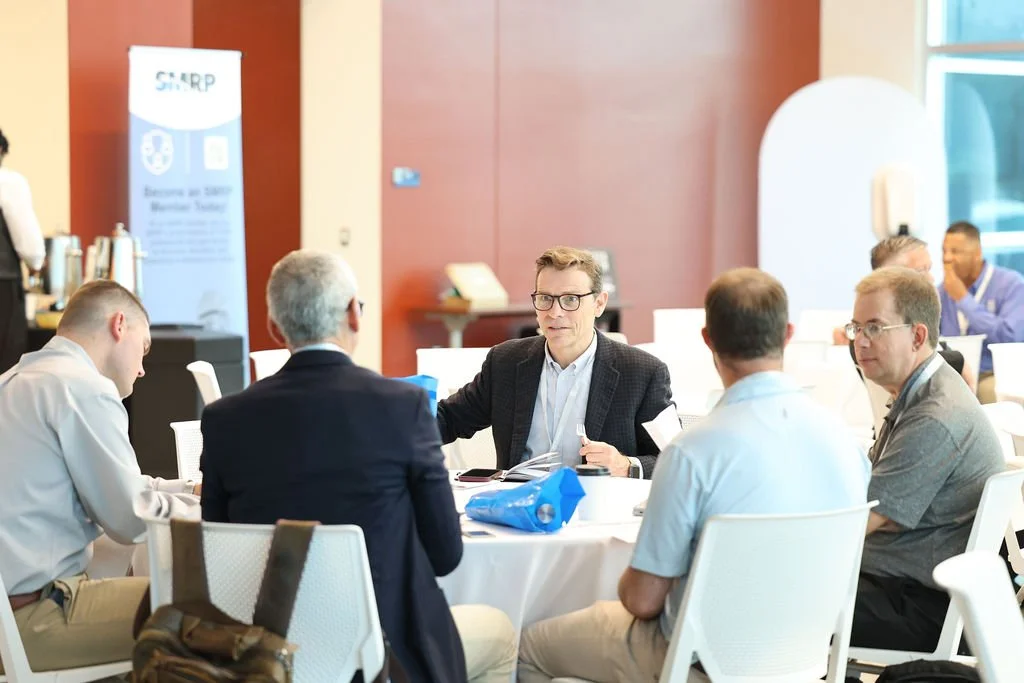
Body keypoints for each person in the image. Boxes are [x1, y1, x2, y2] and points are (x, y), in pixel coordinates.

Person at [517, 268, 871, 682]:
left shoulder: (694, 452)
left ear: (708, 339)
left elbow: (642, 601)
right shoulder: (847, 445)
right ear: (788, 334)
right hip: (806, 660)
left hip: (699, 663)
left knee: (529, 647)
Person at [200, 250, 516, 683]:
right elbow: (445, 555)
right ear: (354, 314)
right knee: (502, 633)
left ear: (275, 329)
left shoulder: (224, 420)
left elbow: (221, 556)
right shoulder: (402, 407)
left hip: (266, 655)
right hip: (384, 654)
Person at [0, 279, 197, 674]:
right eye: (143, 350)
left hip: (11, 613)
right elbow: (129, 518)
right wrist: (209, 507)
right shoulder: (82, 388)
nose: (142, 370)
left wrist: (188, 488)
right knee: (206, 609)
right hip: (37, 618)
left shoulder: (14, 381)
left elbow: (121, 486)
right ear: (118, 325)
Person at [848, 266, 1003, 651]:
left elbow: (855, 522)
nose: (860, 343)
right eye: (855, 328)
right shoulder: (921, 392)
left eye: (874, 328)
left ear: (917, 335)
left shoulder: (936, 416)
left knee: (771, 599)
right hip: (899, 585)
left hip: (921, 605)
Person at [437, 246, 674, 478]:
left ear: (599, 304)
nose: (555, 312)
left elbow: (675, 460)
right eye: (545, 298)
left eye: (571, 299)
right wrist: (403, 406)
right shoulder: (506, 362)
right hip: (518, 505)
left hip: (593, 508)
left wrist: (626, 465)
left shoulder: (643, 373)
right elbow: (448, 419)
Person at [835, 235, 974, 388]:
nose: (931, 279)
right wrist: (957, 360)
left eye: (929, 269)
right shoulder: (869, 344)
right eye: (921, 271)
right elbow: (906, 361)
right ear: (889, 277)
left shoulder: (919, 322)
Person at [939, 220, 1024, 403]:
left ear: (977, 254)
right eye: (944, 251)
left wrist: (963, 299)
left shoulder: (1011, 285)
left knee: (988, 391)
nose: (947, 258)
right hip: (952, 374)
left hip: (992, 373)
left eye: (955, 252)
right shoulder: (940, 292)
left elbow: (1009, 338)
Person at [0, 128, 46, 373]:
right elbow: (30, 245)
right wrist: (36, 263)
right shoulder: (8, 182)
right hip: (3, 284)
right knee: (6, 369)